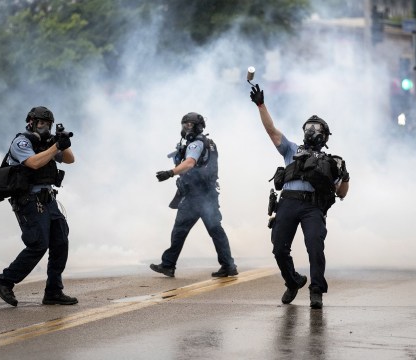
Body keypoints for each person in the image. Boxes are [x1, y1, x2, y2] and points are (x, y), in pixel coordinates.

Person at [249, 84, 350, 309]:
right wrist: (261, 105)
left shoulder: (332, 162)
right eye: (309, 127)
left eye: (316, 128)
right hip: (288, 202)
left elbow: (341, 193)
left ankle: (316, 291)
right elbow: (271, 131)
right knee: (279, 248)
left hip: (312, 208)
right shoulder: (291, 149)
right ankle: (293, 281)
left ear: (324, 136)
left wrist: (345, 175)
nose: (311, 131)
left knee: (315, 246)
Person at [0, 106, 78, 307]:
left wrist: (62, 142)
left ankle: (54, 291)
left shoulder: (48, 143)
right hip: (28, 200)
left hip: (48, 199)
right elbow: (33, 163)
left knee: (60, 241)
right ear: (30, 122)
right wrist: (56, 147)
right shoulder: (22, 141)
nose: (44, 127)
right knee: (38, 243)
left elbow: (70, 160)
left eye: (48, 124)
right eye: (41, 123)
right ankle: (4, 281)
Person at [150, 112, 238, 278]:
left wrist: (170, 173)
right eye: (184, 125)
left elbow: (190, 163)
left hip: (195, 196)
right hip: (206, 195)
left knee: (181, 230)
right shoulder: (209, 143)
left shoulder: (195, 144)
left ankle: (168, 265)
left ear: (197, 126)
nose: (185, 128)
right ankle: (228, 265)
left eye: (189, 125)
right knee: (213, 230)